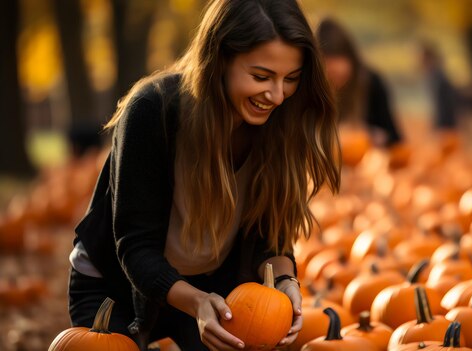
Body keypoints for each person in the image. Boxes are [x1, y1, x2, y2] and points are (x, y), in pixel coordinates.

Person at [65, 0, 340, 350]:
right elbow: (135, 247)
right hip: (117, 283)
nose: (276, 95)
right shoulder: (153, 110)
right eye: (261, 76)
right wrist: (196, 303)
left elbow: (269, 236)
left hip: (209, 284)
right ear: (219, 60)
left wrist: (285, 281)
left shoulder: (281, 123)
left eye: (291, 79)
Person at [315, 17, 404, 149]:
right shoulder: (313, 90)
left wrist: (372, 136)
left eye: (339, 75)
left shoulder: (372, 83)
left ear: (351, 60)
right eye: (329, 78)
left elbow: (395, 138)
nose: (335, 83)